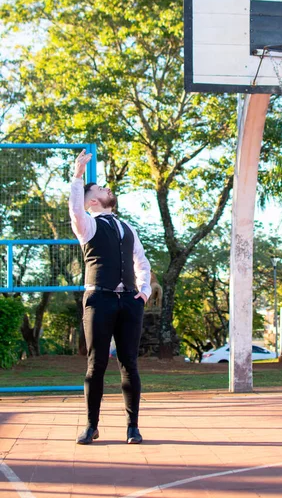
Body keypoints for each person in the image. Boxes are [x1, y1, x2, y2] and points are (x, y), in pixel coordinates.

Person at [69, 149, 151, 445]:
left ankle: (133, 427)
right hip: (98, 300)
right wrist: (78, 176)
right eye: (101, 189)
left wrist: (143, 293)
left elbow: (141, 262)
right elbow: (75, 209)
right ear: (92, 200)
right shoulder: (87, 224)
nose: (107, 188)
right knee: (97, 364)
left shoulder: (128, 227)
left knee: (130, 363)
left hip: (129, 301)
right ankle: (92, 426)